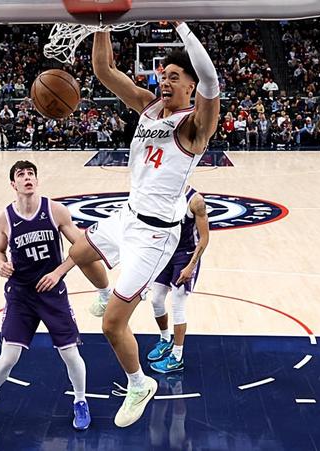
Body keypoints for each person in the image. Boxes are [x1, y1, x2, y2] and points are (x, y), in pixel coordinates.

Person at [69, 21, 219, 428]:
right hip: (128, 214)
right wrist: (100, 23)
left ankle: (139, 383)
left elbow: (212, 79)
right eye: (163, 75)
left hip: (155, 235)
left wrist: (182, 26)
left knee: (112, 324)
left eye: (175, 77)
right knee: (78, 251)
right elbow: (104, 70)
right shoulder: (148, 105)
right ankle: (105, 291)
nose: (165, 82)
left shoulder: (195, 125)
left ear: (191, 86)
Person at [0, 160, 110, 433]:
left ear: (37, 180)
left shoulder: (55, 211)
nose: (27, 177)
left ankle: (80, 401)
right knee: (8, 357)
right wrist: (1, 264)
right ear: (13, 184)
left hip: (52, 294)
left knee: (70, 354)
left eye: (31, 173)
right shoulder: (4, 217)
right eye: (21, 175)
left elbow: (82, 247)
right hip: (21, 295)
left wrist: (58, 272)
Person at [146, 186, 209, 373]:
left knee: (178, 306)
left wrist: (191, 266)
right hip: (165, 254)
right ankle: (166, 339)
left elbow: (204, 238)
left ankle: (177, 357)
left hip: (186, 255)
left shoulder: (195, 201)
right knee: (156, 300)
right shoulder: (161, 194)